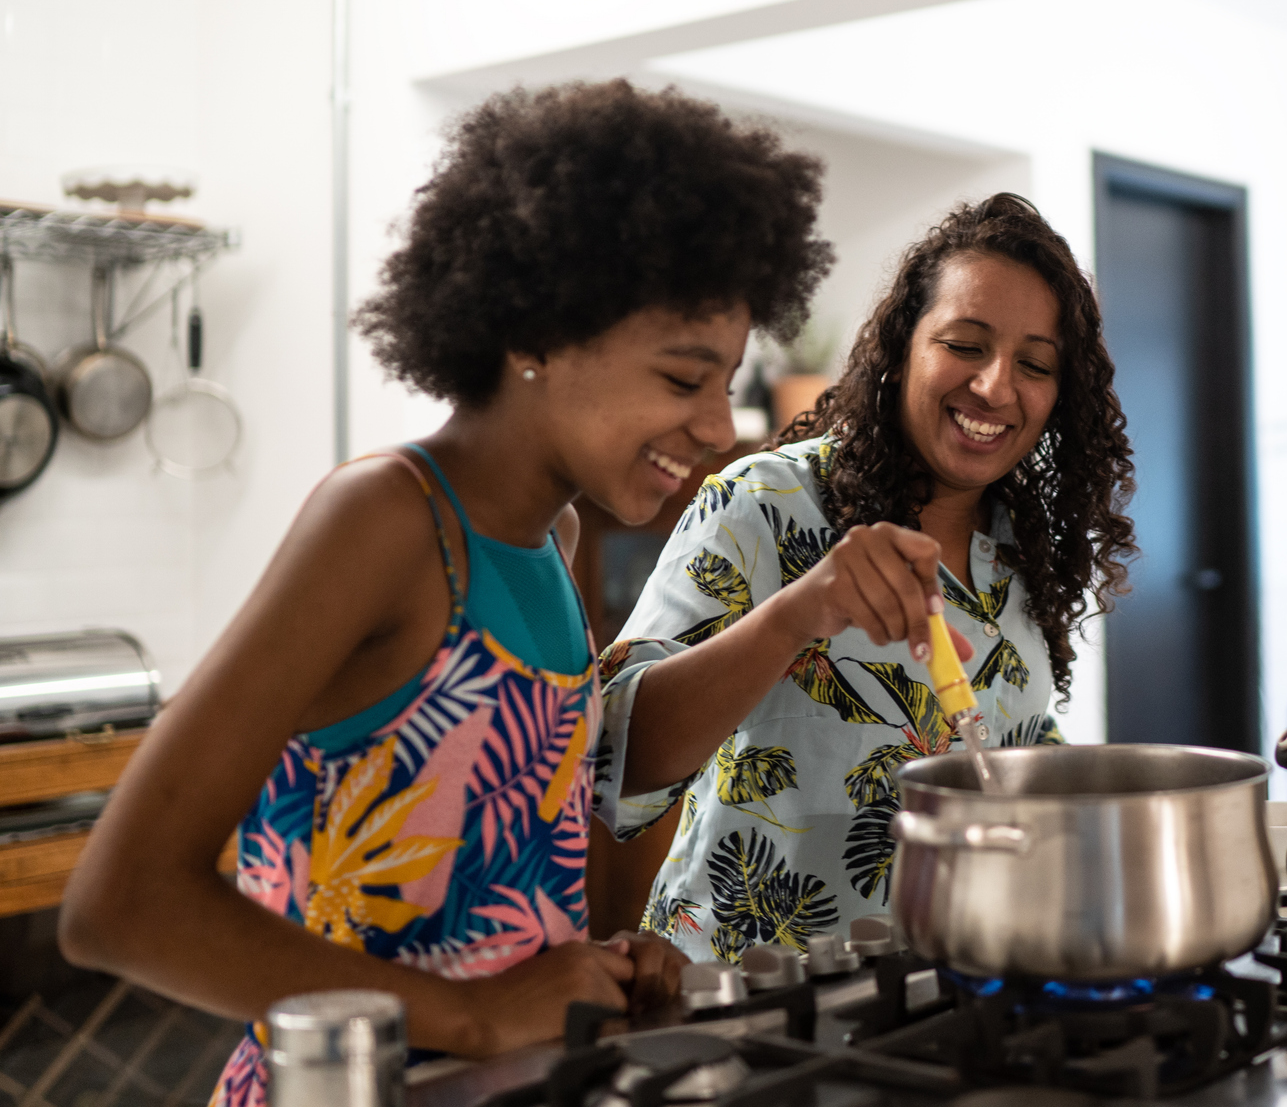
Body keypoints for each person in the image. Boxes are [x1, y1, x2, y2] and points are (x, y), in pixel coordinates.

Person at [60, 81, 833, 1098]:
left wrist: (610, 957)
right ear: (534, 338)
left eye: (724, 382)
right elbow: (118, 906)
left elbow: (516, 862)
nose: (713, 424)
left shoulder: (550, 537)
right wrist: (473, 1013)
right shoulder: (386, 519)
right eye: (682, 378)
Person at [595, 194, 1135, 963]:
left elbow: (1001, 747)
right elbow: (616, 757)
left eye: (1036, 365)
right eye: (964, 344)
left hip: (943, 993)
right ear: (901, 348)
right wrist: (794, 617)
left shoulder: (1022, 551)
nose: (994, 386)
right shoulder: (767, 503)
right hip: (749, 1004)